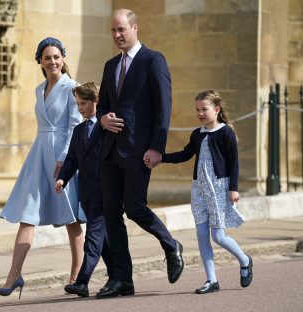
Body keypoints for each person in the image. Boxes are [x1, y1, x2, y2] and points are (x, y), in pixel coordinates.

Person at [95, 9, 184, 299]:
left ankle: (171, 245)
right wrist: (102, 119)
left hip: (138, 150)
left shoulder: (152, 60)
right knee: (111, 214)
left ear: (135, 28)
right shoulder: (110, 66)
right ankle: (122, 279)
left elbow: (163, 106)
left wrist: (157, 147)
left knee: (134, 207)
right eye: (113, 31)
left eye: (122, 29)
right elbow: (102, 106)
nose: (117, 35)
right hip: (110, 151)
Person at [0, 37, 86, 299]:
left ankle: (76, 277)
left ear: (63, 59)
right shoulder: (38, 89)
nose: (53, 61)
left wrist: (66, 158)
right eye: (47, 57)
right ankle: (13, 276)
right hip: (39, 154)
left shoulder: (72, 88)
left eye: (57, 56)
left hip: (63, 156)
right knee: (27, 213)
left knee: (71, 218)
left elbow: (74, 126)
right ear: (40, 61)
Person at [160, 89, 253, 294]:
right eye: (197, 110)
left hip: (219, 187)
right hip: (199, 189)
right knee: (201, 234)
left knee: (218, 236)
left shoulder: (225, 132)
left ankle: (245, 260)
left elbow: (234, 163)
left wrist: (233, 188)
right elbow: (185, 154)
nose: (200, 113)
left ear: (217, 110)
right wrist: (162, 157)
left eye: (204, 109)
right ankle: (211, 280)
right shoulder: (197, 134)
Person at [55, 82, 113, 297]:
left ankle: (82, 281)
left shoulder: (107, 126)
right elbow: (72, 160)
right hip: (86, 192)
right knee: (104, 240)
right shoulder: (79, 130)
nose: (80, 108)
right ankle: (120, 277)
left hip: (105, 190)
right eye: (77, 104)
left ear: (96, 101)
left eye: (84, 103)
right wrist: (63, 179)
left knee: (94, 236)